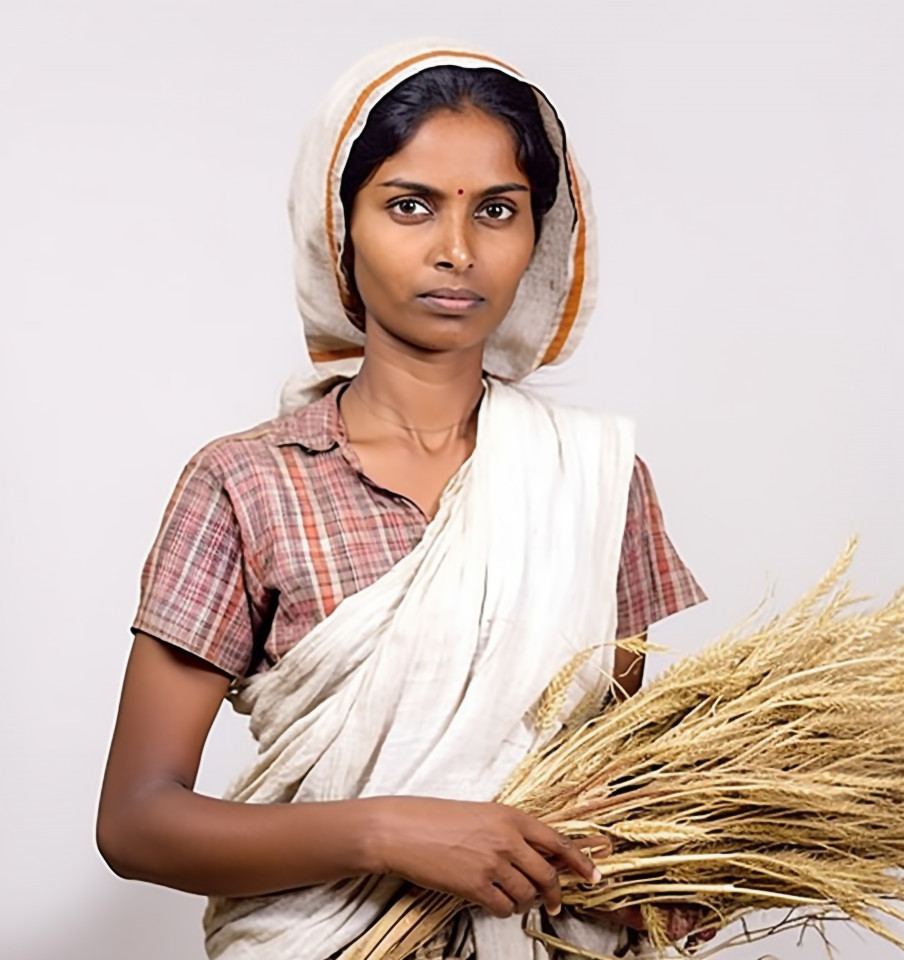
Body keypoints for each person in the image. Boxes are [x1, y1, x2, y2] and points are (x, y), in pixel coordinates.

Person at [97, 39, 707, 960]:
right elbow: (137, 823)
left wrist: (655, 875)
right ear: (339, 227)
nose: (456, 250)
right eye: (410, 206)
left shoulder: (593, 474)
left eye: (497, 210)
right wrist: (385, 832)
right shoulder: (246, 482)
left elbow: (600, 787)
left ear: (540, 236)